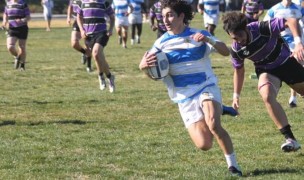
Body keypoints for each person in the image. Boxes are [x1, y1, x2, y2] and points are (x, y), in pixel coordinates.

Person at [139, 0, 242, 176]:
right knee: (204, 144)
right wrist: (143, 67)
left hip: (205, 86)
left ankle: (233, 167)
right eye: (163, 16)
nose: (165, 19)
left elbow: (226, 51)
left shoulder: (199, 35)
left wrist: (209, 39)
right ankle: (220, 108)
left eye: (170, 15)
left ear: (181, 16)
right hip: (184, 96)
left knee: (214, 124)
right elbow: (156, 74)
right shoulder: (161, 44)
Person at [222, 11, 304, 152]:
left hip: (286, 62)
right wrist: (236, 95)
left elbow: (291, 20)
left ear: (246, 28)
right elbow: (239, 71)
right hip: (267, 70)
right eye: (234, 38)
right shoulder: (237, 50)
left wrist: (298, 43)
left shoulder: (261, 28)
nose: (239, 41)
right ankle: (290, 139)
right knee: (266, 95)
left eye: (240, 36)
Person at [264, 0, 304, 108]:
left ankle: (294, 97)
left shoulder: (299, 8)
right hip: (283, 45)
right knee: (294, 69)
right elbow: (265, 26)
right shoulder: (274, 10)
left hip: (298, 44)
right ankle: (293, 97)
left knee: (298, 68)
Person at [77, 0, 116, 93]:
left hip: (102, 33)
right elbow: (79, 17)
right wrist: (82, 30)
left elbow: (112, 17)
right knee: (100, 57)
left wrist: (110, 29)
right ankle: (110, 77)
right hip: (88, 35)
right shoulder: (82, 3)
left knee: (95, 53)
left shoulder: (104, 2)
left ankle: (100, 76)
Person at [2, 0, 31, 71]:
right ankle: (17, 57)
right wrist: (4, 23)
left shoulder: (23, 4)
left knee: (22, 47)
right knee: (10, 46)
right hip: (12, 28)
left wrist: (21, 20)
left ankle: (22, 66)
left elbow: (28, 17)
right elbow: (5, 14)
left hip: (22, 28)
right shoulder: (8, 4)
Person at [67, 0, 92, 72]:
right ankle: (84, 53)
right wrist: (68, 17)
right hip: (77, 21)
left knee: (87, 45)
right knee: (74, 43)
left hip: (88, 21)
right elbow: (70, 6)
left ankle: (89, 66)